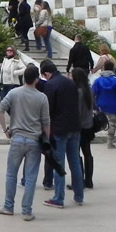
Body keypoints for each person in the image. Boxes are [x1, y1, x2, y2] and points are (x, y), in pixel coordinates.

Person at [0, 64, 51, 220]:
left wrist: (5, 130)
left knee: (11, 174)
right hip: (34, 140)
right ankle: (27, 211)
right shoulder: (42, 97)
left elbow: (0, 110)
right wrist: (47, 140)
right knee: (31, 176)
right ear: (36, 79)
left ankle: (8, 206)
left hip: (17, 138)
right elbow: (46, 122)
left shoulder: (14, 93)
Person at [39, 59, 84, 208]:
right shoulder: (70, 82)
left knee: (59, 164)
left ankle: (59, 198)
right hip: (74, 127)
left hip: (59, 129)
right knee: (75, 163)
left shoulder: (51, 85)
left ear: (46, 73)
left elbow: (48, 109)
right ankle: (79, 195)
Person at [91, 60, 116, 149]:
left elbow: (93, 92)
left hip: (100, 103)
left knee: (99, 121)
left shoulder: (97, 80)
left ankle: (93, 137)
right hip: (113, 104)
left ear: (104, 68)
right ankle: (110, 142)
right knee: (112, 123)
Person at [71, 68, 96, 188]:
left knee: (75, 154)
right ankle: (89, 180)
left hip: (79, 126)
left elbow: (77, 112)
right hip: (89, 125)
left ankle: (79, 179)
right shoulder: (89, 91)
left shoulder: (78, 92)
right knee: (87, 153)